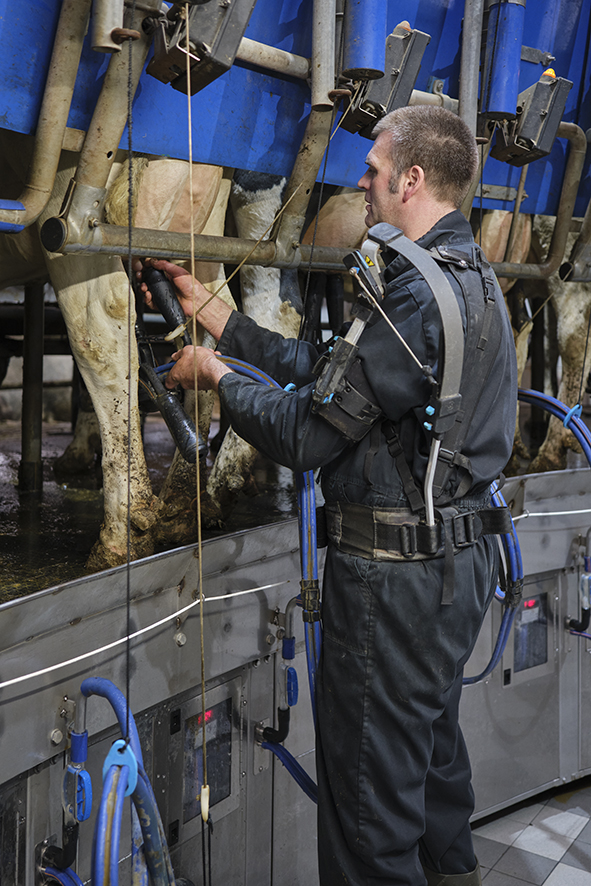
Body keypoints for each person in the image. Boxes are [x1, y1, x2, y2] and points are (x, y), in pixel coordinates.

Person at [141, 105, 517, 886]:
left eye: (375, 170)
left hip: (395, 585)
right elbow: (332, 370)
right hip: (458, 566)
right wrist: (221, 319)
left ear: (412, 179)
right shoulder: (472, 280)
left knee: (366, 818)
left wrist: (214, 378)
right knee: (434, 775)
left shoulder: (411, 297)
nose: (364, 181)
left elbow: (308, 436)